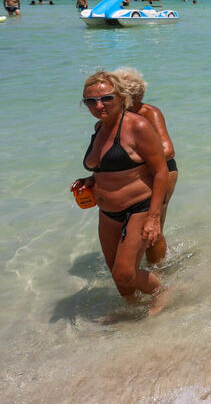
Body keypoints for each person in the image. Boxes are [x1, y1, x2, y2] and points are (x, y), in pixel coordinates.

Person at [72, 71, 169, 309]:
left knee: (124, 273)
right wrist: (91, 180)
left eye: (106, 98)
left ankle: (162, 293)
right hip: (107, 212)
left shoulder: (138, 125)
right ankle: (132, 312)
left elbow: (161, 171)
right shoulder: (99, 127)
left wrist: (154, 218)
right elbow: (108, 164)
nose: (99, 105)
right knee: (115, 270)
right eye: (90, 101)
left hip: (138, 208)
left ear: (121, 97)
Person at [113, 67, 178, 264]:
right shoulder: (115, 117)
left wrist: (132, 159)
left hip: (162, 172)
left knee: (153, 227)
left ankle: (159, 273)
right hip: (134, 176)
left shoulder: (149, 112)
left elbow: (168, 151)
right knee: (134, 226)